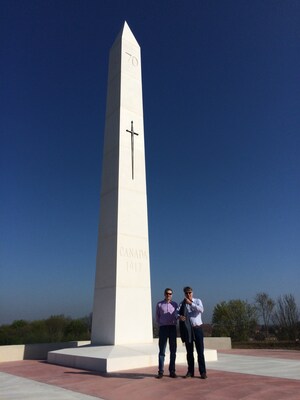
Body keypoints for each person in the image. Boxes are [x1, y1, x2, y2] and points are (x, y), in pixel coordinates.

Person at [178, 286, 207, 379]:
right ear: (184, 294)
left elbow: (201, 310)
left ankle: (202, 372)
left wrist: (191, 303)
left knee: (200, 352)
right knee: (189, 352)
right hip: (188, 330)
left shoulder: (197, 301)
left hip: (197, 328)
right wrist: (179, 317)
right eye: (186, 293)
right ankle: (190, 371)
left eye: (189, 292)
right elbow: (176, 312)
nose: (188, 294)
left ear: (192, 293)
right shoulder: (182, 304)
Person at [155, 288, 178, 378]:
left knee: (173, 351)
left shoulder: (175, 304)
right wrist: (161, 323)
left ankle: (172, 371)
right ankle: (160, 371)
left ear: (172, 295)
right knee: (162, 351)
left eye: (170, 294)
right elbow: (157, 317)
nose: (168, 295)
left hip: (172, 328)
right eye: (167, 293)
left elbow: (178, 315)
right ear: (164, 294)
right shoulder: (159, 304)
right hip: (163, 328)